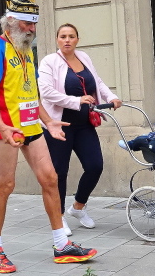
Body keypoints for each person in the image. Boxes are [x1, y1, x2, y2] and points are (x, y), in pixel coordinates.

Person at [0, 0, 98, 273]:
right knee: (5, 185)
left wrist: (49, 121)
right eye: (27, 23)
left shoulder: (26, 51)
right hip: (8, 127)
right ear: (11, 21)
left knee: (50, 179)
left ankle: (61, 245)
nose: (32, 29)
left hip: (32, 126)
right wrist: (2, 127)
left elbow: (32, 93)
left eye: (34, 24)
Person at [38, 23, 122, 236]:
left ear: (77, 39)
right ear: (57, 39)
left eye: (71, 36)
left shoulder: (83, 57)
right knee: (59, 172)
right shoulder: (49, 61)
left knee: (95, 166)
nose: (67, 40)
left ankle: (78, 207)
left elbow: (97, 82)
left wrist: (111, 97)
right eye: (63, 36)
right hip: (59, 125)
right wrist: (76, 100)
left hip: (84, 124)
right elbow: (46, 92)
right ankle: (59, 217)